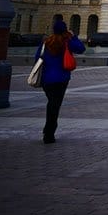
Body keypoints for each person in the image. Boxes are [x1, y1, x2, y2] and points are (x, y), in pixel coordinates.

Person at [34, 15, 85, 144]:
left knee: (52, 104)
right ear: (65, 30)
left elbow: (37, 58)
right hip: (61, 78)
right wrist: (73, 36)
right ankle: (49, 133)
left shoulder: (46, 42)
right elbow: (81, 49)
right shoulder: (67, 42)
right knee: (55, 105)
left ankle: (48, 131)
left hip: (46, 79)